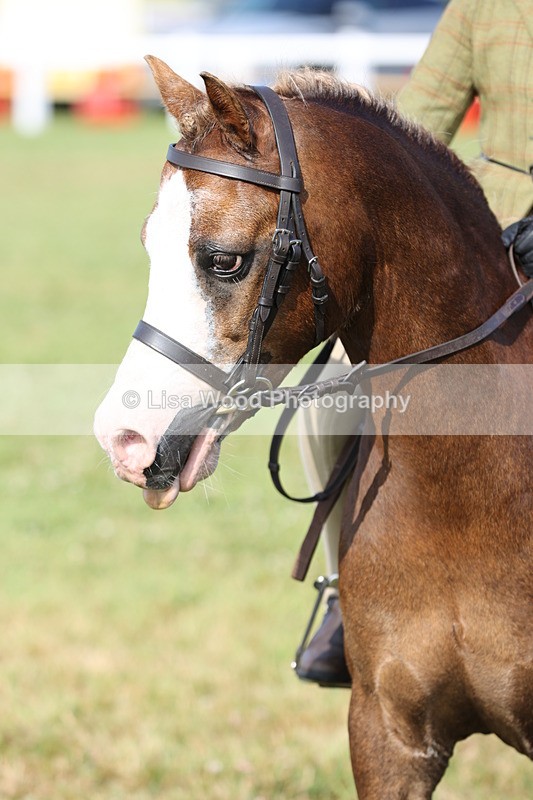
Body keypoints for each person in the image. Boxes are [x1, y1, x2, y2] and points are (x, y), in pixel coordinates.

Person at [295, 0, 533, 687]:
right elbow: (409, 127)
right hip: (483, 245)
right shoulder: (485, 6)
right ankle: (349, 593)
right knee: (330, 391)